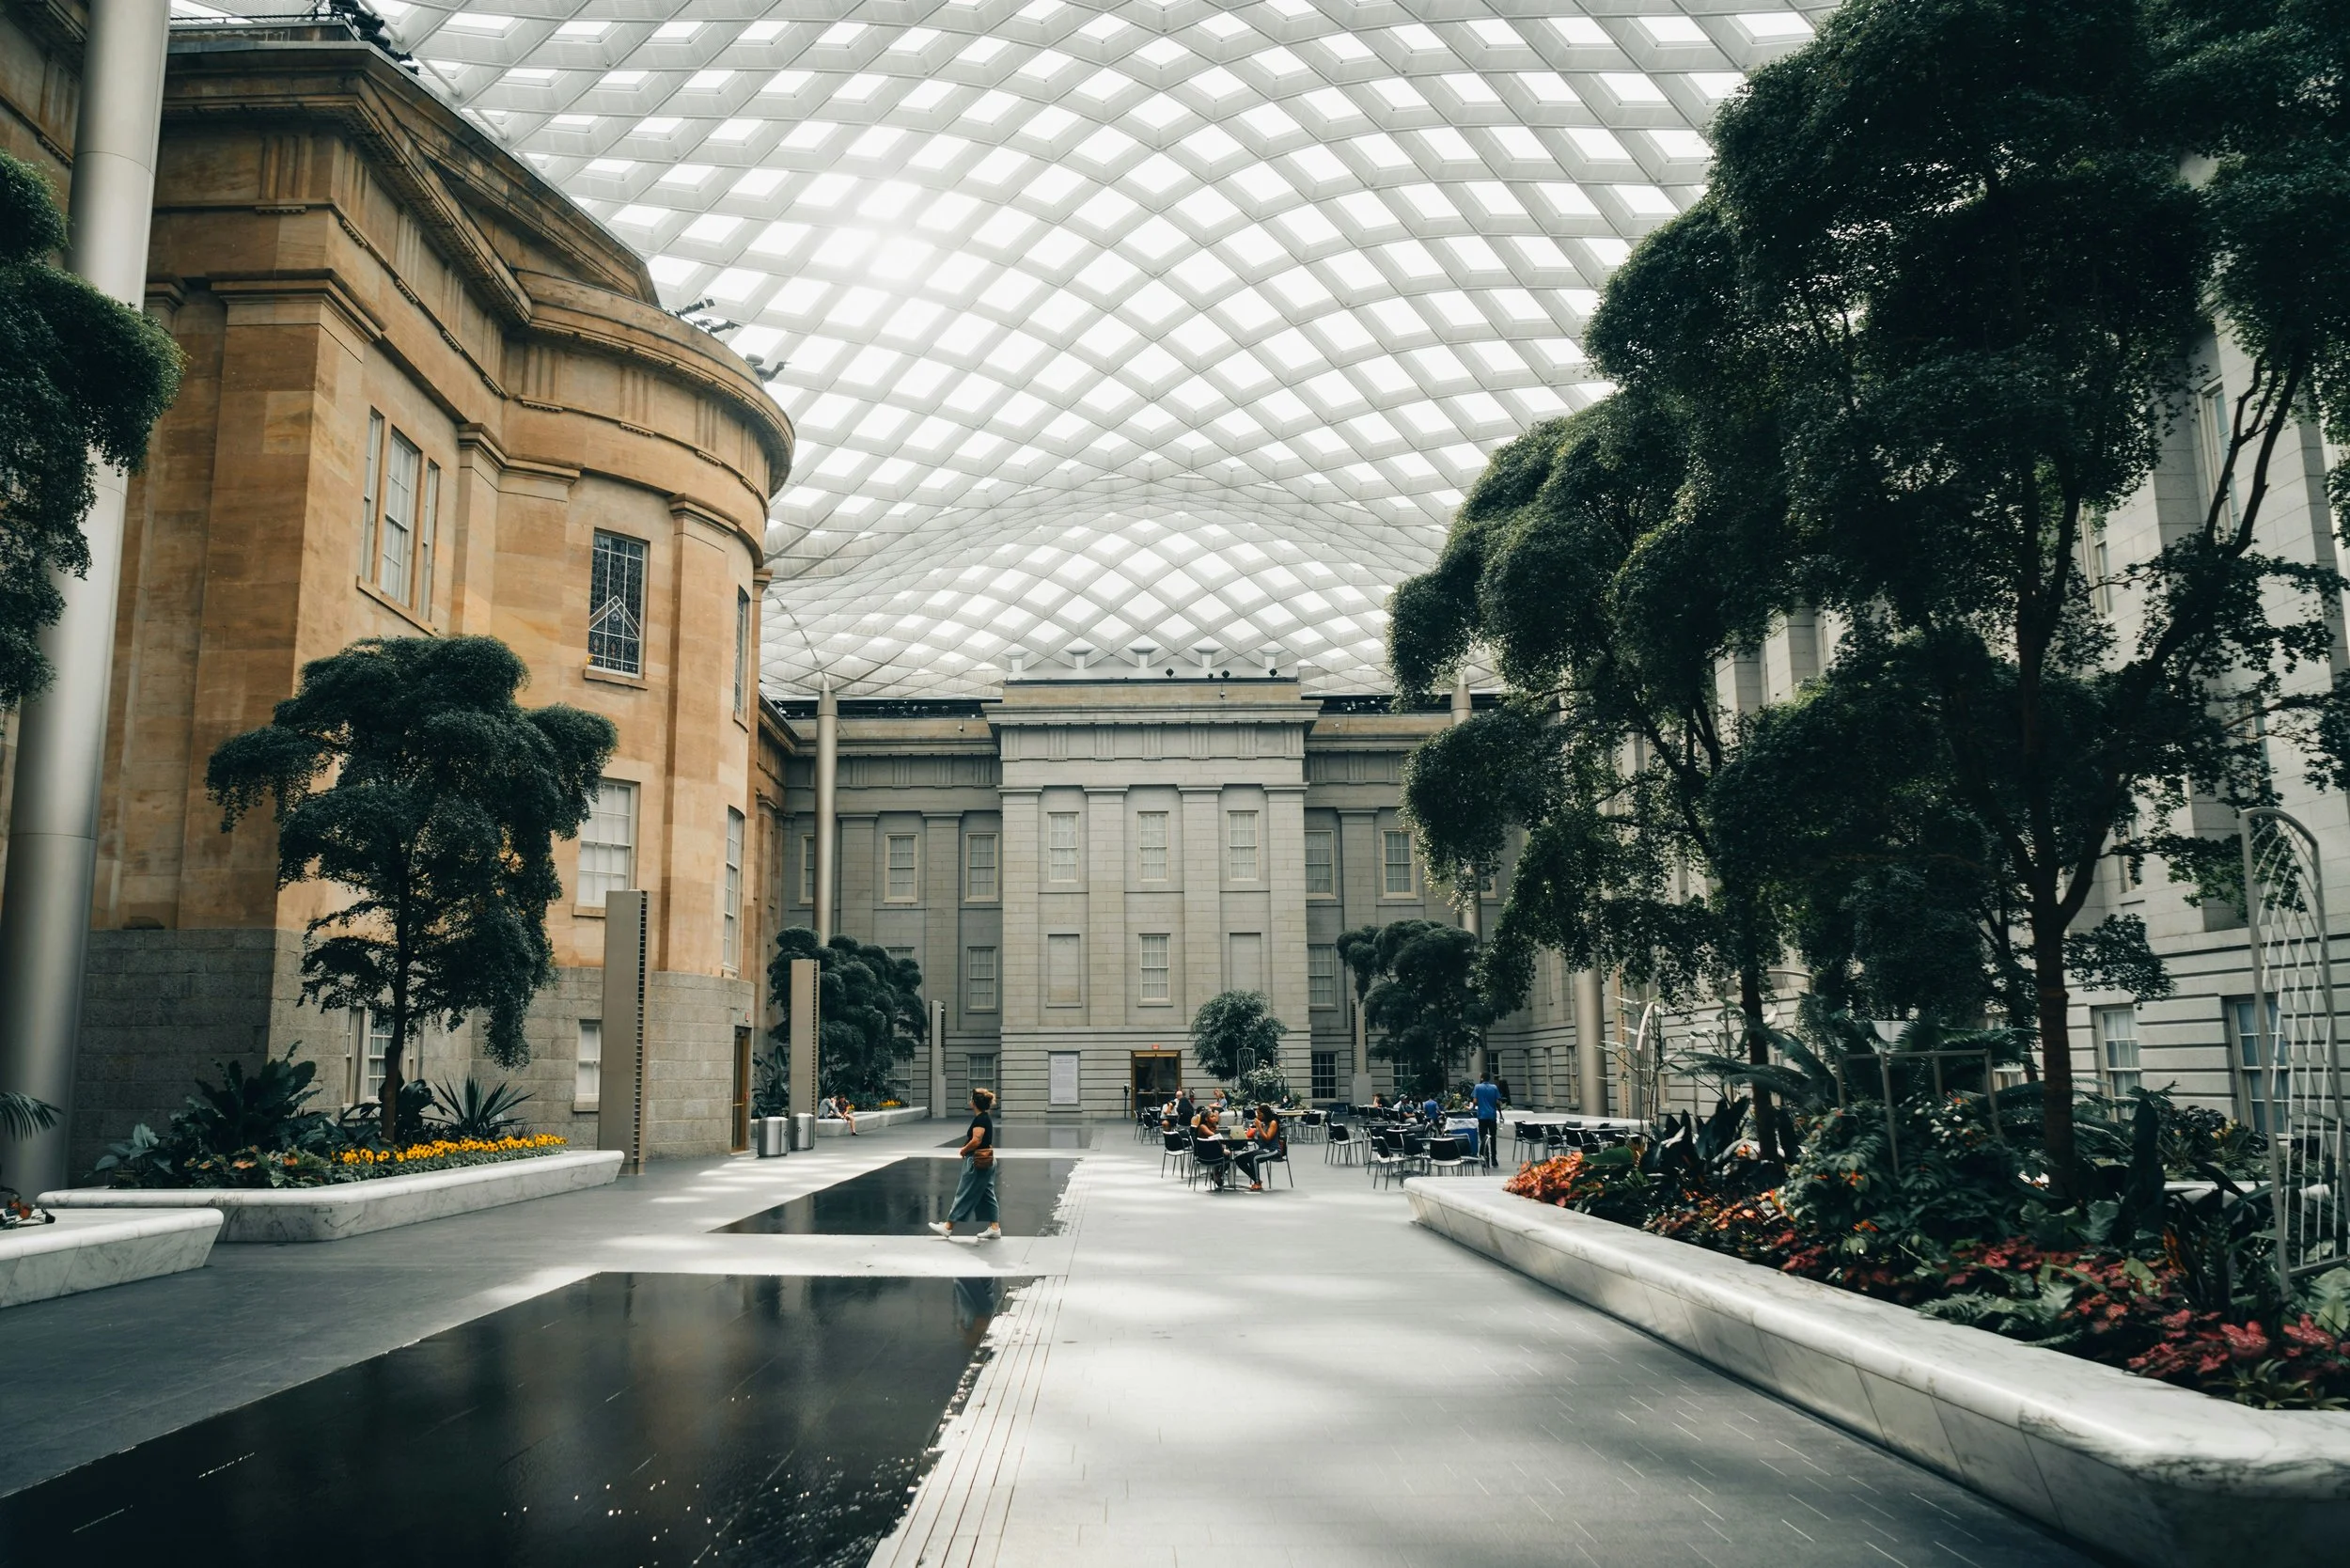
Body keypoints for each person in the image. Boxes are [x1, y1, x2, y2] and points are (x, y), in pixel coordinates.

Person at [929, 1088, 1000, 1241]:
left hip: (977, 1161)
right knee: (987, 1194)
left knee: (964, 1192)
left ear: (974, 1103)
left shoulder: (980, 1119)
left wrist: (964, 1150)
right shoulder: (985, 1117)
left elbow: (977, 1140)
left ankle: (948, 1227)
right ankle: (994, 1228)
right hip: (987, 1160)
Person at [1473, 1071, 1503, 1168]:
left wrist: (1477, 1104)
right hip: (1492, 1116)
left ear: (1481, 1078)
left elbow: (1475, 1101)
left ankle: (1485, 1158)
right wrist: (1501, 1114)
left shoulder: (1477, 1087)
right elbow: (1498, 1102)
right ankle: (1494, 1159)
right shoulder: (1494, 1087)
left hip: (1482, 1116)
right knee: (1493, 1137)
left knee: (1483, 1138)